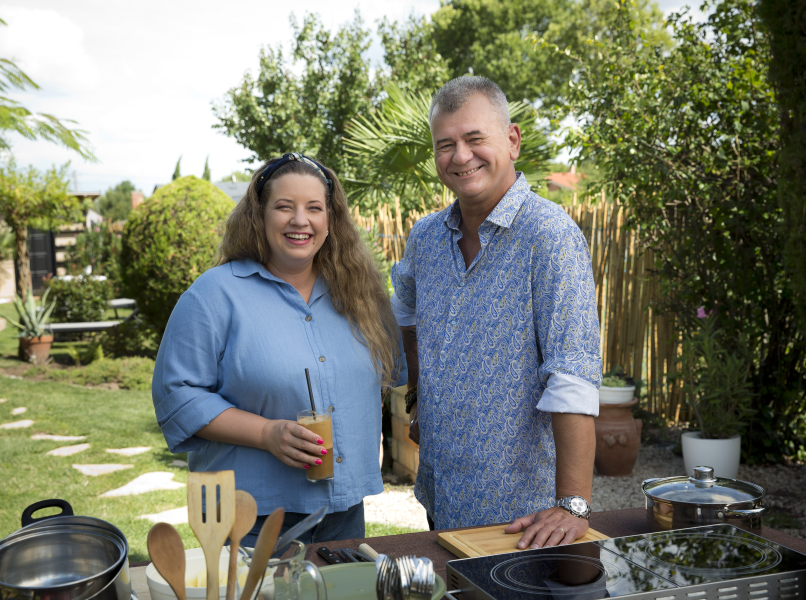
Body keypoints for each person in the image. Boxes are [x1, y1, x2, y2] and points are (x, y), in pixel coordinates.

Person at [391, 77, 601, 549]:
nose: (460, 156)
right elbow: (404, 307)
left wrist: (573, 504)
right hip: (441, 495)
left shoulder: (550, 236)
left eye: (474, 138)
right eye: (445, 145)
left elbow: (572, 374)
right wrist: (419, 395)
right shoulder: (426, 237)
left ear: (512, 140)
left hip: (524, 519)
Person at [153, 153, 405, 546]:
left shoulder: (361, 295)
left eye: (314, 208)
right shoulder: (214, 294)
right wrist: (267, 433)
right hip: (249, 517)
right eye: (284, 206)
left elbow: (391, 373)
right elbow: (177, 396)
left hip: (343, 514)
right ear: (259, 215)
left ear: (331, 220)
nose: (300, 220)